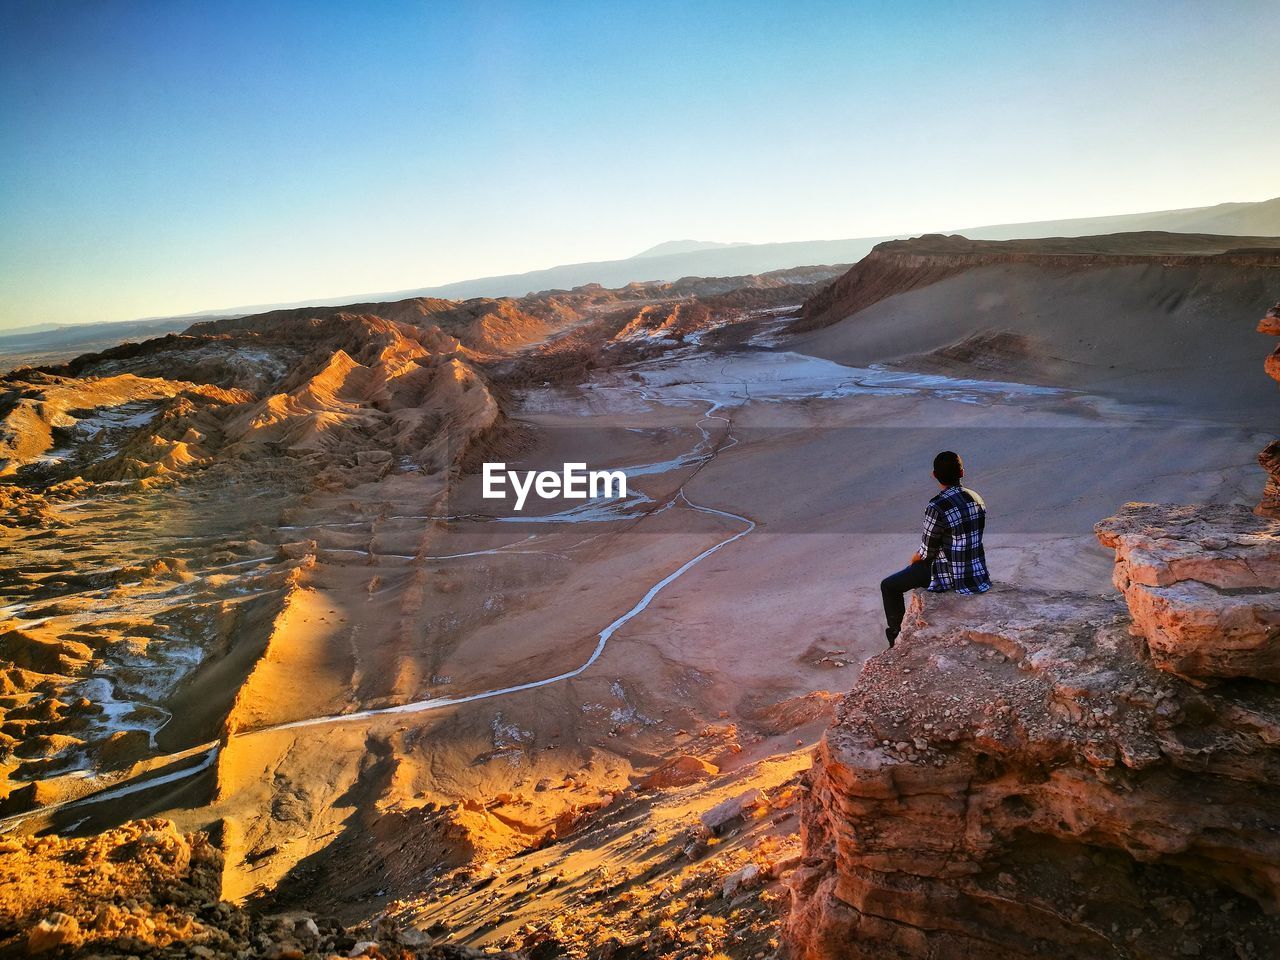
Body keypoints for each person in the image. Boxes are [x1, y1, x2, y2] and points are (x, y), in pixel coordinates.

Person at [879, 451, 991, 647]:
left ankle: (895, 639)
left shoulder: (937, 506)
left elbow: (928, 550)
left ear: (934, 475)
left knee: (889, 586)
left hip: (948, 574)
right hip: (976, 572)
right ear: (962, 473)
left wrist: (915, 559)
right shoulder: (976, 497)